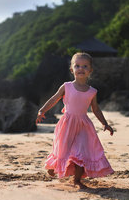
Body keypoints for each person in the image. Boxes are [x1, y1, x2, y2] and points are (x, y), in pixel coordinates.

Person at [36, 52, 114, 189]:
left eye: (85, 66)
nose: (81, 68)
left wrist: (105, 123)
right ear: (72, 70)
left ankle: (77, 180)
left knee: (81, 153)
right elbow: (54, 99)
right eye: (77, 66)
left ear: (90, 70)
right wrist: (42, 110)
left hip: (84, 126)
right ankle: (53, 167)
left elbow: (95, 109)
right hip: (67, 124)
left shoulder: (92, 91)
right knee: (63, 151)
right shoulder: (66, 86)